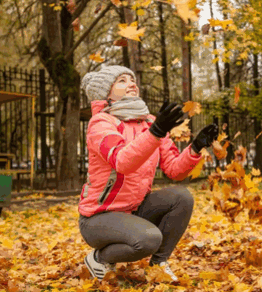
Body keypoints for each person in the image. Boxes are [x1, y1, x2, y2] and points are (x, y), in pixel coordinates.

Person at [78, 65, 218, 281]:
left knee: (181, 197)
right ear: (106, 93)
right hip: (99, 217)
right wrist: (155, 133)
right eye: (122, 81)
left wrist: (196, 148)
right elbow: (122, 161)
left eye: (132, 79)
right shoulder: (101, 123)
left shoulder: (150, 122)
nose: (131, 84)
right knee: (148, 239)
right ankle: (100, 257)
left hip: (134, 210)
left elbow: (173, 169)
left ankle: (158, 264)